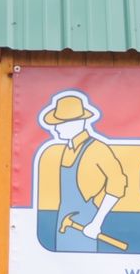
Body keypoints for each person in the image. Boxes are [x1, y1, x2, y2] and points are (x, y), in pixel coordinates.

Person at [39, 90, 127, 252]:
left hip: (84, 225)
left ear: (76, 123)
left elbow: (118, 182)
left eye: (59, 123)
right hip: (64, 223)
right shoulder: (68, 149)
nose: (56, 129)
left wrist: (96, 223)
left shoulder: (98, 149)